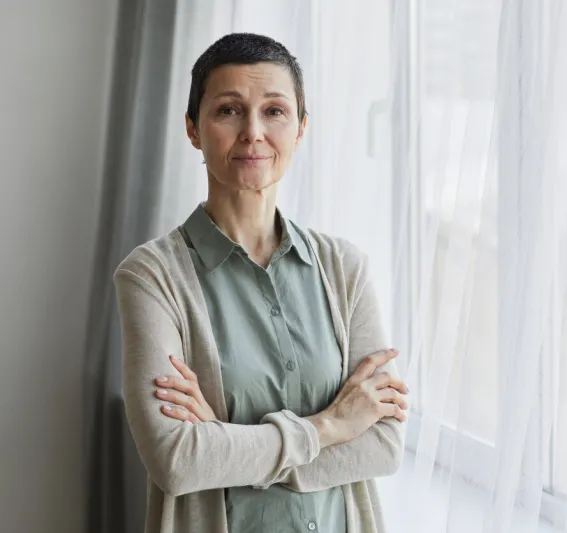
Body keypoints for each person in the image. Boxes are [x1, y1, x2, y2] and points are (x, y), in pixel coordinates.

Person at [114, 32, 409, 533]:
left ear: (301, 129)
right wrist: (331, 426)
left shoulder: (346, 268)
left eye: (275, 111)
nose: (253, 131)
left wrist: (227, 443)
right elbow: (179, 460)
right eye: (228, 110)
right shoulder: (151, 276)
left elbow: (382, 446)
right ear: (192, 128)